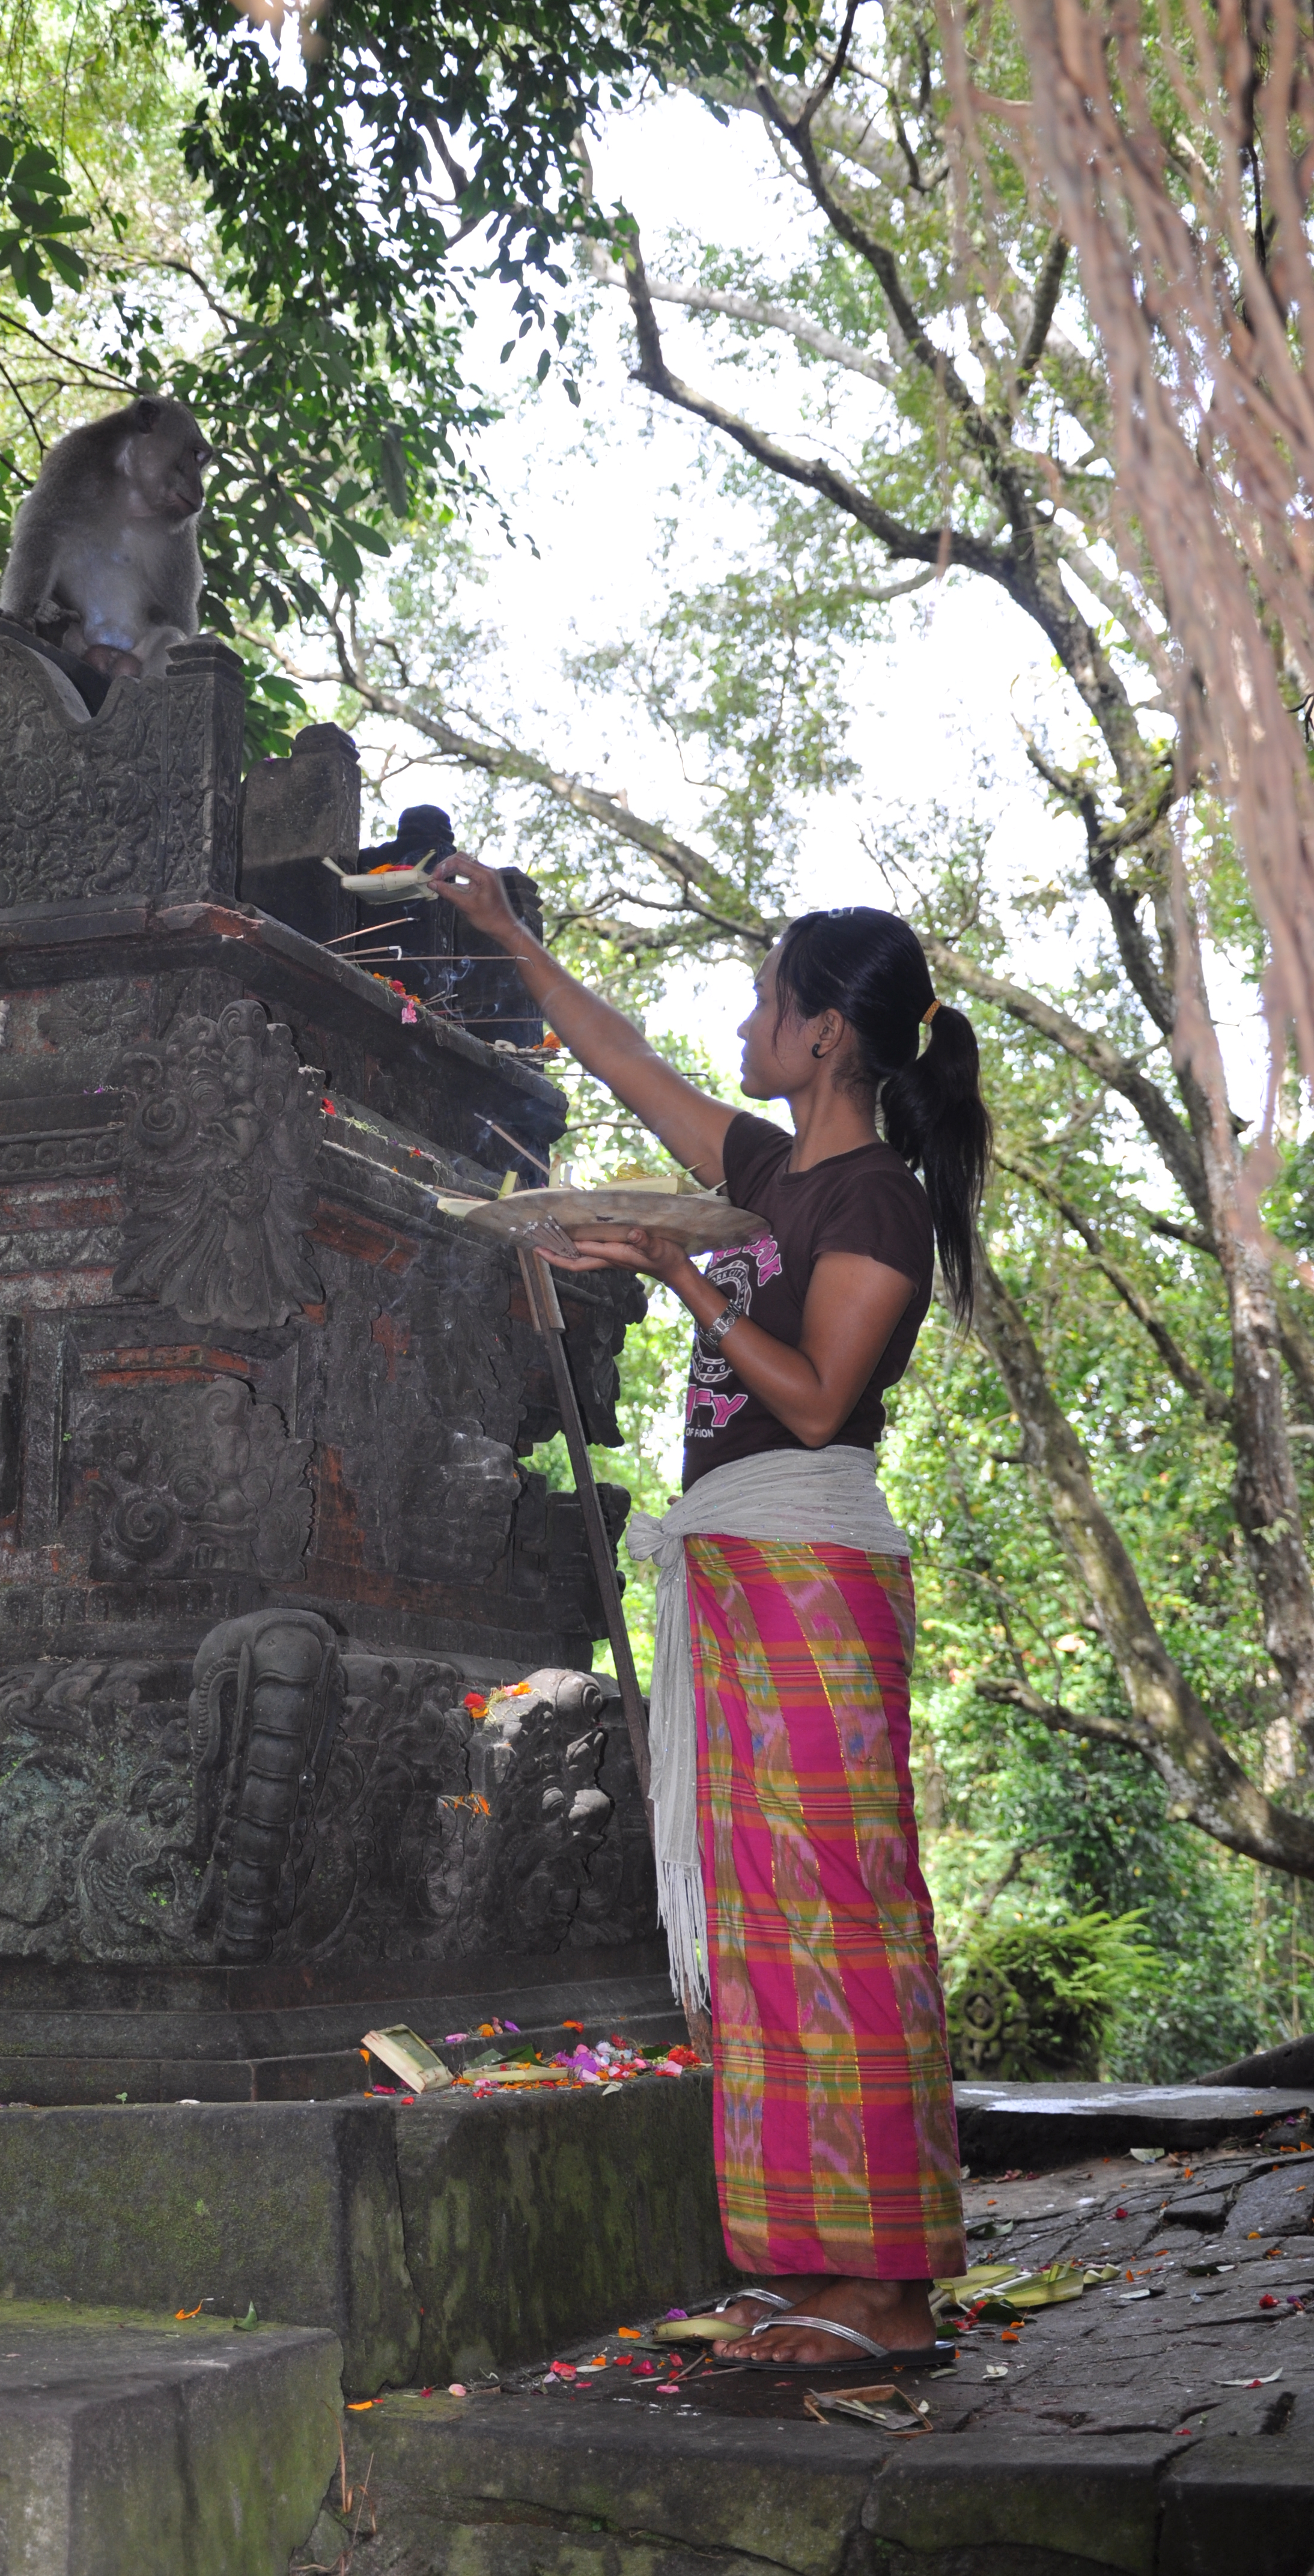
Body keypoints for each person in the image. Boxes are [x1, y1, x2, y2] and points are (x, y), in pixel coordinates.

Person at [431, 858, 988, 2371]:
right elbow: (626, 1059)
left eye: (765, 999)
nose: (743, 1023)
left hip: (811, 1569)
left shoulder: (875, 1196)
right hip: (737, 1574)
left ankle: (889, 2287)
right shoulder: (765, 1172)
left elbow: (810, 1402)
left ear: (824, 1035)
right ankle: (815, 2263)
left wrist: (680, 1272)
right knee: (756, 1928)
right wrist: (503, 935)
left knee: (843, 1919)